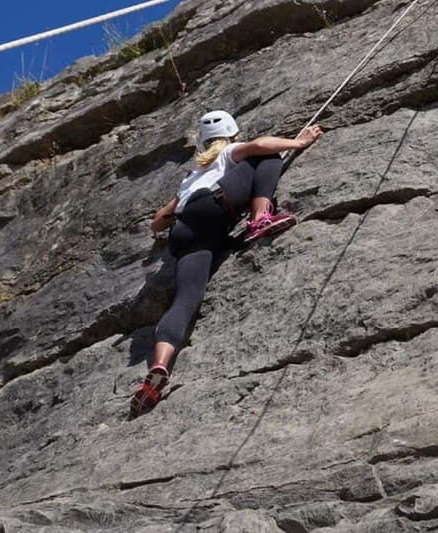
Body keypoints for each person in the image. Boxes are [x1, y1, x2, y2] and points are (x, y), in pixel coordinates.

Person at [130, 110, 323, 417]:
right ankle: (260, 219)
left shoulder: (189, 178)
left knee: (184, 302)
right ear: (231, 135)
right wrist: (298, 143)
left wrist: (177, 208)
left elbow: (156, 224)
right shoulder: (230, 152)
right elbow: (260, 145)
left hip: (186, 234)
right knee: (270, 157)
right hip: (215, 208)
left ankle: (158, 369)